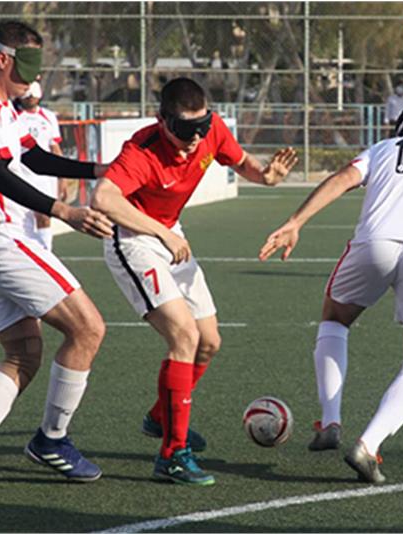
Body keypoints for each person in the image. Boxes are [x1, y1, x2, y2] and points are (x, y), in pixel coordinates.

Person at [259, 105, 403, 484]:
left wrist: (295, 221)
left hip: (373, 246)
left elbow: (341, 179)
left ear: (399, 128)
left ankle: (330, 422)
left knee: (335, 319)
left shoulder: (382, 148)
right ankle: (367, 446)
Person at [0, 20, 116, 494]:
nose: (36, 77)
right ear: (2, 59)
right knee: (89, 328)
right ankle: (52, 440)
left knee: (23, 354)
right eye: (29, 64)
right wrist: (64, 211)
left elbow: (33, 159)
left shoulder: (3, 109)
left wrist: (100, 169)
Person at [90, 77, 298, 485]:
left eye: (200, 128)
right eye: (184, 131)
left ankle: (160, 416)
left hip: (170, 235)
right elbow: (104, 199)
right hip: (133, 240)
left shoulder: (209, 129)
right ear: (162, 120)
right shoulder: (141, 149)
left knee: (209, 341)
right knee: (183, 336)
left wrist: (266, 175)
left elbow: (240, 162)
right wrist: (162, 233)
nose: (193, 139)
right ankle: (172, 455)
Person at [15, 80, 66, 250]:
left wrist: (62, 178)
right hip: (21, 174)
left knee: (44, 215)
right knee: (24, 217)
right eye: (27, 95)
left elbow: (55, 147)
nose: (30, 98)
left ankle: (46, 250)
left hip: (45, 177)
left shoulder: (48, 117)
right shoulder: (13, 116)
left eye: (33, 95)